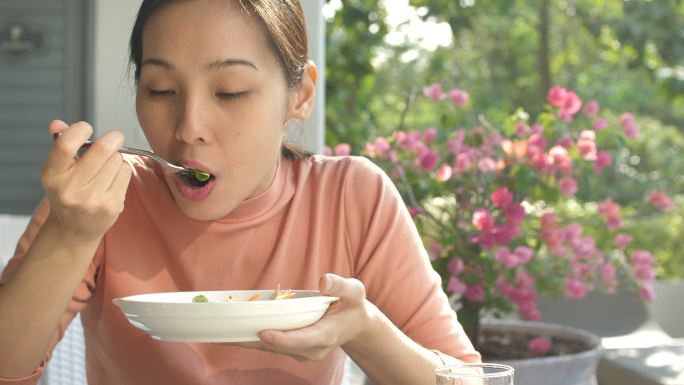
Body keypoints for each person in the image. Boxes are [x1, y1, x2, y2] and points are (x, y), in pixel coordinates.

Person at [0, 1, 480, 384]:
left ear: (301, 94)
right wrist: (68, 236)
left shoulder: (352, 196)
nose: (189, 129)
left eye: (229, 92)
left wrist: (366, 331)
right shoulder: (97, 201)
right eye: (162, 90)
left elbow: (467, 381)